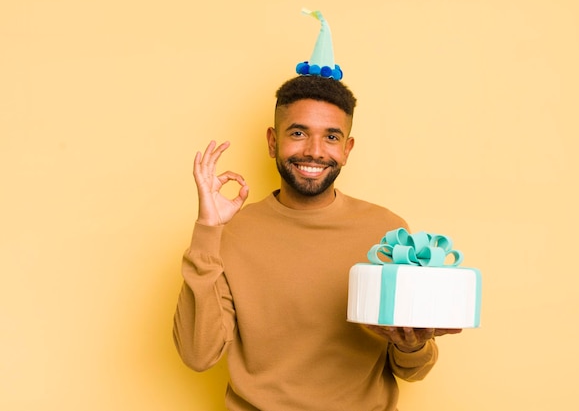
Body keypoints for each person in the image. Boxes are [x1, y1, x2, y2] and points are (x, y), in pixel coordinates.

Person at [172, 75, 462, 411]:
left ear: (346, 149)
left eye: (331, 137)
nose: (314, 151)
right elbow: (198, 355)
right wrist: (208, 229)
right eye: (298, 133)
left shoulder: (388, 232)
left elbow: (412, 369)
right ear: (272, 141)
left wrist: (412, 346)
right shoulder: (231, 232)